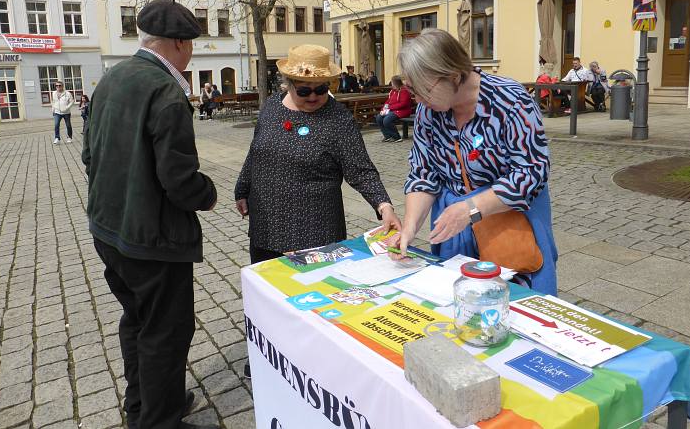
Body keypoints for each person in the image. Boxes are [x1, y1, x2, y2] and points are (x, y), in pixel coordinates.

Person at [82, 0, 219, 429]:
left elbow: (89, 155)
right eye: (190, 45)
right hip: (152, 239)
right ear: (178, 43)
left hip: (108, 229)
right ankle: (160, 420)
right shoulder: (166, 91)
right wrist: (208, 194)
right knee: (166, 332)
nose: (190, 53)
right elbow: (179, 180)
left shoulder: (112, 78)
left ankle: (143, 406)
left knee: (137, 320)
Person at [392, 29, 557, 295]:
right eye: (412, 90)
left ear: (453, 75)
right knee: (458, 300)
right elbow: (424, 173)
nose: (418, 100)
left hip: (509, 224)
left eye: (423, 90)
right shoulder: (428, 111)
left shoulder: (510, 100)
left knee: (510, 302)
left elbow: (531, 172)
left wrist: (471, 208)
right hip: (456, 225)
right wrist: (410, 228)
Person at [235, 44, 400, 265]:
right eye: (304, 91)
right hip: (266, 225)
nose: (313, 96)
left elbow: (361, 170)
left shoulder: (338, 119)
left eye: (320, 89)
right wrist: (242, 188)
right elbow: (257, 151)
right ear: (288, 84)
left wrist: (384, 206)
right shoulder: (272, 107)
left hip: (314, 231)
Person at [375, 75, 412, 143]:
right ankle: (387, 136)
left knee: (387, 120)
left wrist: (390, 107)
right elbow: (388, 101)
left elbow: (403, 104)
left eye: (392, 82)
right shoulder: (393, 91)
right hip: (393, 110)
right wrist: (383, 109)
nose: (391, 84)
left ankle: (396, 137)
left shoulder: (404, 91)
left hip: (403, 111)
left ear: (396, 83)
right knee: (379, 117)